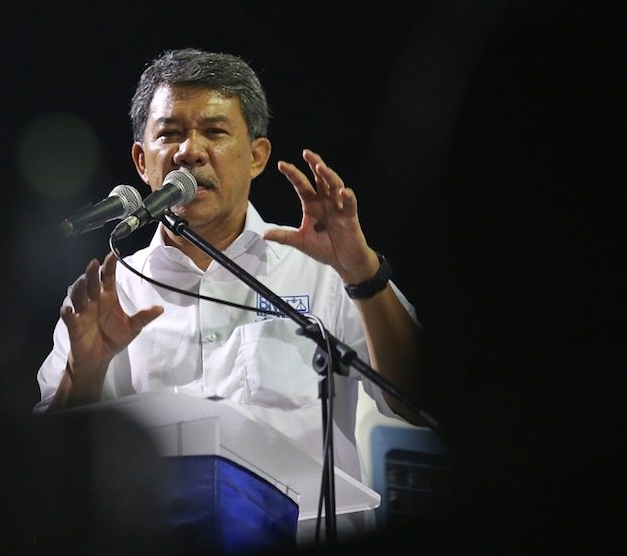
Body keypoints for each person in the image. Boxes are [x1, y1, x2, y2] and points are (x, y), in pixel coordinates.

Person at [36, 48, 422, 490]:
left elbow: (420, 400)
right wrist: (82, 374)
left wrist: (361, 272)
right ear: (142, 162)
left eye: (214, 132)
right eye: (171, 134)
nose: (189, 152)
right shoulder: (109, 294)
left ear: (256, 157)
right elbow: (54, 468)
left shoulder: (324, 270)